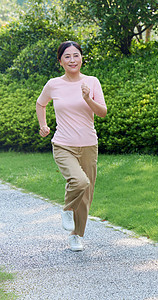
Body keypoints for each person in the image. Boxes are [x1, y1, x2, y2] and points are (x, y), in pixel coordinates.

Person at [36, 41, 107, 251]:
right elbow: (41, 103)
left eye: (76, 55)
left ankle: (77, 235)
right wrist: (43, 125)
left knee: (86, 195)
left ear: (82, 58)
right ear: (60, 61)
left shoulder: (92, 82)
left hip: (88, 145)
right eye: (67, 57)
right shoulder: (53, 84)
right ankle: (67, 209)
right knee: (79, 181)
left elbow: (102, 112)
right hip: (63, 144)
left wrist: (87, 98)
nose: (72, 60)